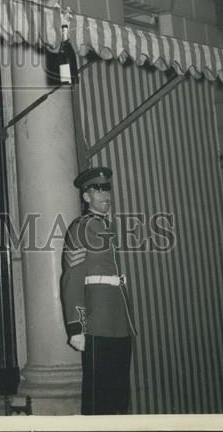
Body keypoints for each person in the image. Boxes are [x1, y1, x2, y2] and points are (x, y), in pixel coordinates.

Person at [60, 165, 137, 415]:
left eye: (107, 190)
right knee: (98, 401)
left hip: (119, 323)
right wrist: (76, 327)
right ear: (86, 197)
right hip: (97, 323)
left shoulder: (109, 227)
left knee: (118, 398)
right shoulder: (80, 227)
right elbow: (72, 278)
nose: (105, 196)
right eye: (98, 190)